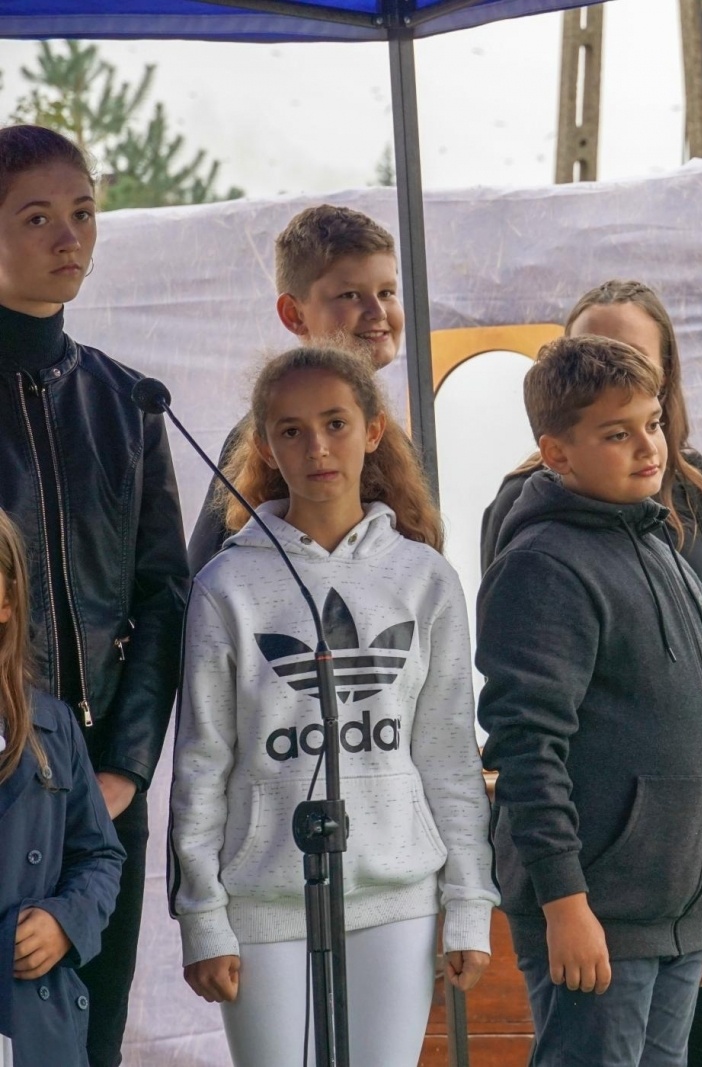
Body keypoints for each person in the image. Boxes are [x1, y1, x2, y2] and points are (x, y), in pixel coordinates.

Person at [168, 346, 497, 1066]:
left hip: (399, 899)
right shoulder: (226, 585)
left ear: (373, 430)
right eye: (291, 430)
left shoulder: (424, 577)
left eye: (335, 423)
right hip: (262, 902)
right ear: (265, 447)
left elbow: (447, 754)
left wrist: (470, 901)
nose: (316, 446)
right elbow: (201, 761)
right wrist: (203, 915)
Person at [481, 280, 702, 1067]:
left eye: (652, 423)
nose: (649, 447)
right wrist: (564, 900)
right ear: (557, 453)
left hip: (675, 904)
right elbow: (526, 747)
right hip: (597, 908)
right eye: (618, 433)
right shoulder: (542, 563)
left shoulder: (661, 543)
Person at [0, 123, 188, 1067]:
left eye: (82, 213)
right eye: (38, 217)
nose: (69, 237)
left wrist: (127, 765)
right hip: (5, 770)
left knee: (88, 1045)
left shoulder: (128, 399)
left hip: (101, 790)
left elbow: (164, 594)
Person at [187, 203, 404, 573]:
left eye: (386, 292)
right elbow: (208, 576)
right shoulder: (263, 441)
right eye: (350, 295)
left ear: (373, 432)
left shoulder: (393, 438)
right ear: (294, 314)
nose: (378, 312)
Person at [0, 507, 125, 1067]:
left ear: (7, 601)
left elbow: (98, 854)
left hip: (32, 1020)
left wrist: (65, 922)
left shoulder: (53, 726)